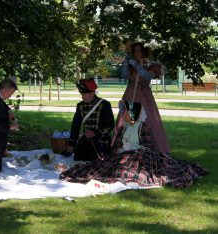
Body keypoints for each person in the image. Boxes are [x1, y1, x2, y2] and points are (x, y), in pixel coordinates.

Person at [61, 100, 207, 187]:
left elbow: (150, 146)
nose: (123, 114)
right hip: (124, 154)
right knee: (102, 167)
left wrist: (135, 149)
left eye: (126, 112)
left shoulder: (143, 127)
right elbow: (116, 144)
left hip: (140, 155)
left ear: (133, 114)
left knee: (125, 170)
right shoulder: (124, 127)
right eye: (123, 112)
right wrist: (118, 151)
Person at [119, 42, 170, 154]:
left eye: (139, 50)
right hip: (130, 94)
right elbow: (124, 76)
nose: (137, 53)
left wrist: (137, 66)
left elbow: (147, 76)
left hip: (144, 95)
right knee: (127, 119)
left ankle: (149, 147)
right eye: (135, 51)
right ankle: (125, 144)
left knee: (147, 119)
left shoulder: (151, 64)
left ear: (144, 51)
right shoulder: (131, 65)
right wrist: (125, 64)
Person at [67, 79, 115, 161]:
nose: (82, 96)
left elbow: (110, 124)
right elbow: (76, 125)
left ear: (92, 93)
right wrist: (71, 143)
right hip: (86, 140)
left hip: (101, 141)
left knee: (98, 164)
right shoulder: (80, 105)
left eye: (85, 94)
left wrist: (95, 133)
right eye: (81, 94)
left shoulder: (105, 104)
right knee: (78, 161)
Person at [0, 77, 19, 173]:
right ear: (4, 89)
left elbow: (1, 103)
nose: (9, 97)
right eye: (10, 94)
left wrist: (8, 110)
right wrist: (11, 127)